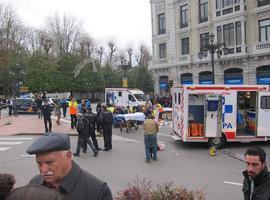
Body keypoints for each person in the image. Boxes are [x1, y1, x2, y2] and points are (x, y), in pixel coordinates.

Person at [26, 133, 112, 200]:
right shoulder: (34, 183)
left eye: (50, 162)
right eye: (39, 163)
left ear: (68, 156)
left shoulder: (97, 191)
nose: (43, 170)